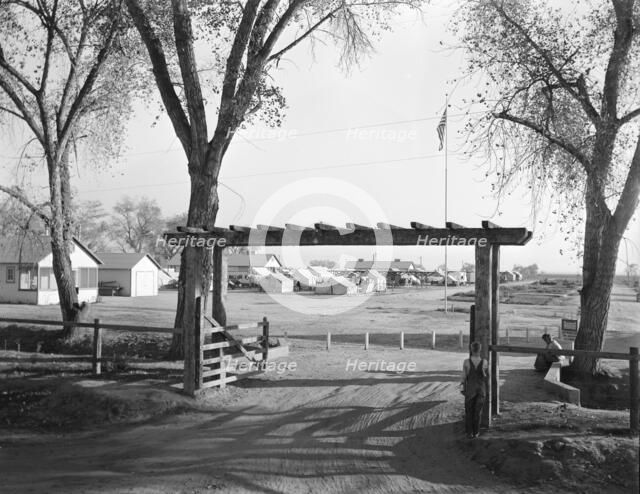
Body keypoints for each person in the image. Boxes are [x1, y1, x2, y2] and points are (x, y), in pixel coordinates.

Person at [460, 341, 489, 438]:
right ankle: (476, 432)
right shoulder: (485, 362)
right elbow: (486, 377)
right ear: (480, 350)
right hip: (481, 390)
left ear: (471, 350)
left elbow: (463, 378)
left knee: (469, 411)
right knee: (478, 412)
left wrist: (462, 389)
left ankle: (469, 432)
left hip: (470, 390)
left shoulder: (466, 362)